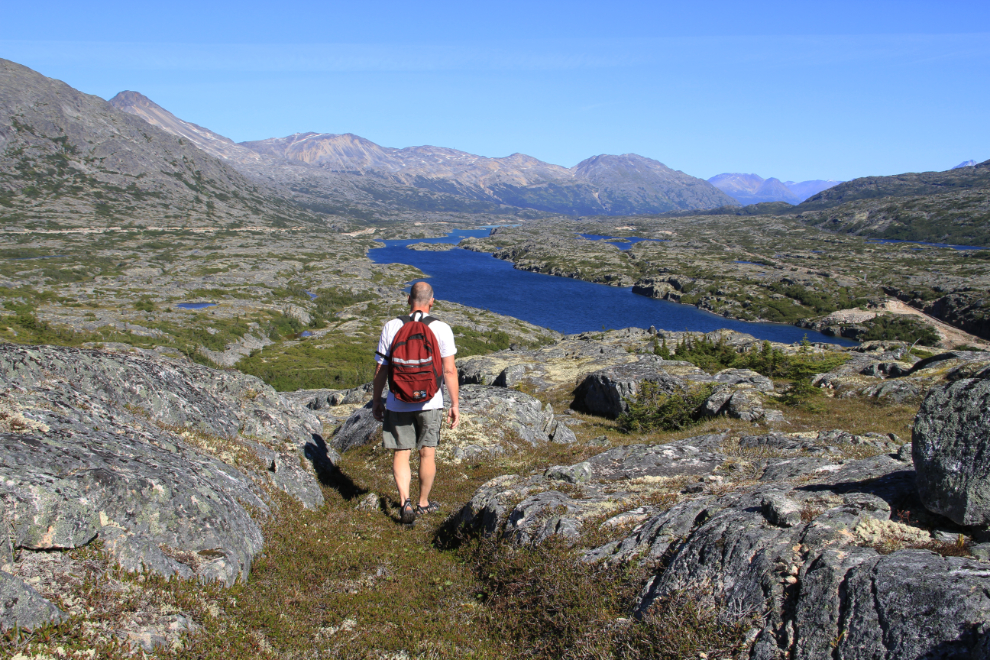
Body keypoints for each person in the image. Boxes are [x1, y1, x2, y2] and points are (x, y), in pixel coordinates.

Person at [372, 281, 459, 524]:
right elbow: (450, 371)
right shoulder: (442, 328)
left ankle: (405, 502)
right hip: (430, 401)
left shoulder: (392, 325)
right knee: (427, 454)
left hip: (398, 400)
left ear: (408, 300)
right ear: (432, 301)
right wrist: (454, 403)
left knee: (401, 452)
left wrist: (377, 399)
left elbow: (381, 368)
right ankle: (423, 502)